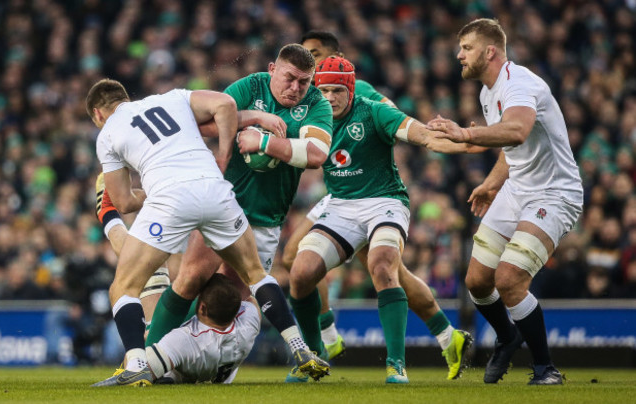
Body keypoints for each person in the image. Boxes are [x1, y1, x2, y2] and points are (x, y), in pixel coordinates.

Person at [87, 78, 326, 386]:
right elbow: (224, 105)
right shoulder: (170, 98)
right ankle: (300, 348)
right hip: (217, 190)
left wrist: (146, 194)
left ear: (98, 114)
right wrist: (226, 152)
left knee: (124, 286)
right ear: (126, 97)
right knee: (256, 275)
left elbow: (123, 201)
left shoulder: (107, 133)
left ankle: (136, 364)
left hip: (170, 200)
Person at [283, 31, 473, 380]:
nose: (307, 63)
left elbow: (408, 128)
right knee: (298, 268)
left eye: (313, 55)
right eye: (320, 86)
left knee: (384, 266)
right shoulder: (307, 107)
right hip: (339, 199)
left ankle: (391, 360)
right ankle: (319, 350)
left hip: (381, 198)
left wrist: (455, 141)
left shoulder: (368, 101)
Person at [143, 44, 333, 378]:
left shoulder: (316, 104)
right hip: (223, 203)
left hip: (266, 218)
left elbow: (317, 154)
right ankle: (147, 362)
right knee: (190, 279)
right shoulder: (250, 87)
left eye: (304, 82)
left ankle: (215, 369)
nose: (296, 88)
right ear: (273, 69)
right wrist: (254, 118)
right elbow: (203, 124)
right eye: (290, 78)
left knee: (233, 301)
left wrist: (264, 143)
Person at [428, 18, 583, 385]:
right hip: (516, 188)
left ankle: (546, 369)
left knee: (510, 279)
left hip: (554, 193)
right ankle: (507, 336)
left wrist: (464, 133)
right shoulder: (488, 91)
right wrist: (491, 183)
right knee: (478, 281)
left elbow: (517, 130)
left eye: (466, 48)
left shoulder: (518, 84)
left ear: (489, 50)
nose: (458, 55)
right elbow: (508, 147)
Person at [95, 187, 260, 385]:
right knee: (149, 269)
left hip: (173, 364)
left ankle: (108, 215)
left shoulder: (184, 340)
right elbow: (249, 299)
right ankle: (109, 216)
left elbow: (140, 369)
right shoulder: (248, 324)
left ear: (202, 306)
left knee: (144, 269)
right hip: (206, 372)